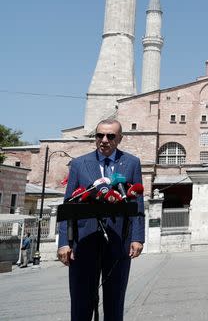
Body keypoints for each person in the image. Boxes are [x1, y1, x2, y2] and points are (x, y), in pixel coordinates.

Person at [58, 119, 145, 321]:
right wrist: (64, 243)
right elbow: (67, 206)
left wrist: (137, 237)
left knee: (115, 299)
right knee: (81, 299)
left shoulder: (132, 163)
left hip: (118, 241)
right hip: (84, 241)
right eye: (99, 136)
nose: (104, 140)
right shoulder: (79, 164)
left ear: (120, 138)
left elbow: (138, 204)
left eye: (110, 136)